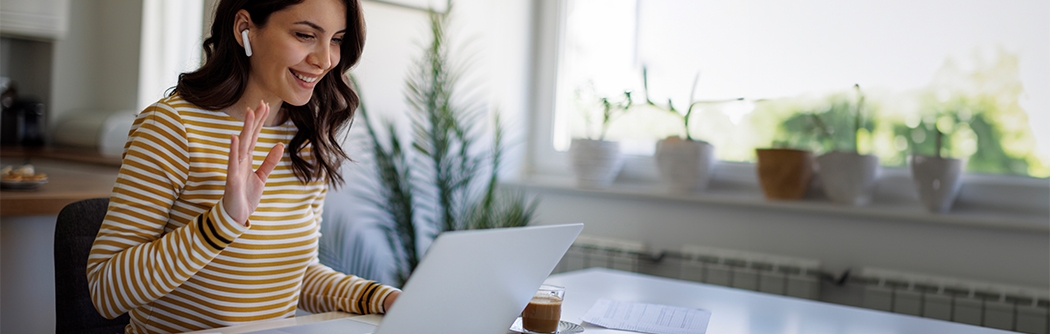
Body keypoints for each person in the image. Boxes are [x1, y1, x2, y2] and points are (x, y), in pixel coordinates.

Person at [85, 0, 400, 332]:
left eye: (336, 39)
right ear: (244, 28)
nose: (324, 60)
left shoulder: (305, 139)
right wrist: (222, 223)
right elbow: (106, 292)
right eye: (305, 35)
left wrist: (381, 298)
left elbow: (293, 273)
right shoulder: (172, 128)